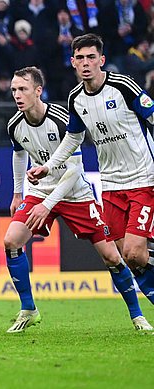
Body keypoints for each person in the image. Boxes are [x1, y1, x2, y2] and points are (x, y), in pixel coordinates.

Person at [5, 66, 152, 333]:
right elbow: (18, 154)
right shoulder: (14, 124)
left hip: (76, 195)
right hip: (41, 193)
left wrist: (47, 205)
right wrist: (18, 193)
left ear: (38, 91)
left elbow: (74, 171)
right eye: (14, 89)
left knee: (112, 256)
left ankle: (137, 315)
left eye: (22, 89)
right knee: (11, 241)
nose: (17, 94)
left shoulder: (61, 119)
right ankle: (29, 308)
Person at [28, 33, 154, 313]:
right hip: (110, 185)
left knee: (135, 252)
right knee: (130, 258)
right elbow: (73, 139)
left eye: (91, 57)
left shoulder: (123, 87)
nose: (86, 63)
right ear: (72, 62)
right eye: (80, 58)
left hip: (143, 178)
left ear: (102, 60)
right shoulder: (75, 98)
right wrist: (48, 166)